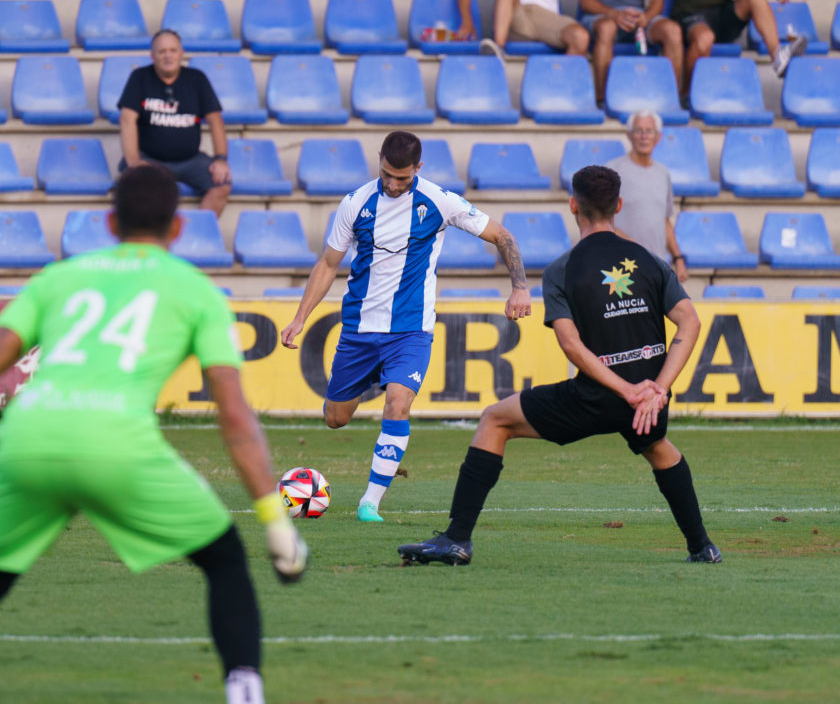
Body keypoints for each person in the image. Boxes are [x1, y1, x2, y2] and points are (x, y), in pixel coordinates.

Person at [0, 165, 309, 704]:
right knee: (224, 559)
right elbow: (235, 417)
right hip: (116, 444)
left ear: (109, 223)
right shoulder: (195, 289)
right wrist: (274, 518)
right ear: (177, 228)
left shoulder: (60, 277)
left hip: (28, 438)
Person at [398, 165, 720, 567]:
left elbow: (570, 344)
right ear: (618, 206)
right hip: (648, 401)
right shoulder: (650, 260)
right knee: (656, 445)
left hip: (597, 398)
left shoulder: (561, 269)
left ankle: (457, 538)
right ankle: (702, 546)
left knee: (495, 420)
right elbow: (690, 321)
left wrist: (624, 391)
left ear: (573, 206)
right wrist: (658, 388)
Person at [279, 131, 531, 523]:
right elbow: (328, 264)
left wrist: (519, 287)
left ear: (418, 168)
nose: (394, 185)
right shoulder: (355, 203)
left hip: (411, 331)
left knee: (398, 402)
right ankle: (377, 379)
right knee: (335, 418)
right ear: (379, 160)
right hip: (360, 330)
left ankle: (370, 503)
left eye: (403, 178)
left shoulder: (439, 201)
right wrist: (300, 318)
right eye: (387, 175)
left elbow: (502, 235)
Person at [117, 29, 230, 216]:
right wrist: (134, 161)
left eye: (173, 50)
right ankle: (154, 241)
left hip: (191, 160)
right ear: (152, 56)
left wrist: (220, 159)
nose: (168, 56)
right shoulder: (139, 78)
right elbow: (127, 120)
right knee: (141, 189)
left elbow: (215, 120)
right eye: (162, 52)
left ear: (181, 53)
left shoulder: (197, 79)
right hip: (151, 159)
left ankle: (196, 238)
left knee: (222, 184)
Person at [607, 110, 687, 282]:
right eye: (638, 130)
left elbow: (664, 219)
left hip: (655, 267)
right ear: (629, 135)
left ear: (658, 137)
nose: (644, 136)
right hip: (622, 268)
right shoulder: (612, 171)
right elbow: (602, 220)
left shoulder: (663, 173)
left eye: (649, 131)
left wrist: (678, 258)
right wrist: (632, 246)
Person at [671, 0, 805, 89]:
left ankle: (778, 56)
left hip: (721, 13)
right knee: (705, 38)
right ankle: (687, 95)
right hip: (691, 13)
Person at [580, 0, 685, 102]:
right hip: (603, 15)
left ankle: (669, 99)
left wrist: (646, 17)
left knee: (672, 31)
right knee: (606, 28)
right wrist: (613, 14)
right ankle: (602, 99)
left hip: (639, 16)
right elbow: (586, 3)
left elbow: (656, 3)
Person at [479, 0, 590, 59]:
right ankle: (498, 49)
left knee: (580, 37)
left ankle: (559, 92)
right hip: (516, 15)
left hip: (547, 19)